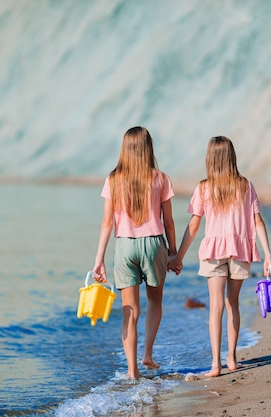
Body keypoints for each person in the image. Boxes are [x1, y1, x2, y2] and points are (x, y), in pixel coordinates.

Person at [168, 136, 271, 377]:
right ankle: (232, 358)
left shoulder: (204, 187)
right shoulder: (245, 185)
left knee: (215, 306)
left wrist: (178, 257)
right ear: (232, 156)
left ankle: (216, 365)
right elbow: (258, 221)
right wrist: (267, 255)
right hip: (239, 250)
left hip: (214, 252)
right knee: (232, 303)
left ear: (210, 158)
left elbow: (194, 226)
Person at [93, 126, 177, 380]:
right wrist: (174, 253)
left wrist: (99, 260)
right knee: (155, 301)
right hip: (153, 244)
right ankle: (147, 354)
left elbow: (107, 222)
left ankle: (132, 371)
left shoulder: (113, 179)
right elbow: (169, 221)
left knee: (130, 310)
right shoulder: (160, 178)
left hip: (125, 245)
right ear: (148, 148)